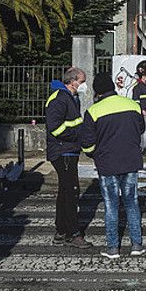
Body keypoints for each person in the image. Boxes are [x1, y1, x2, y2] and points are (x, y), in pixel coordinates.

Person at [79, 71, 146, 259]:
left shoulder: (94, 111)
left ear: (97, 92)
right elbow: (141, 128)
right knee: (132, 203)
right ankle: (136, 245)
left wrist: (94, 154)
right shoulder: (132, 105)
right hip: (131, 161)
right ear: (113, 87)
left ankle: (112, 248)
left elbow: (87, 143)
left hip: (107, 163)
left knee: (111, 205)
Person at [46, 67, 91, 248]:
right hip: (63, 150)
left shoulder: (71, 98)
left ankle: (61, 231)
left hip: (69, 150)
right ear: (72, 81)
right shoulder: (59, 98)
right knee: (71, 192)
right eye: (82, 81)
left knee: (66, 192)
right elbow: (55, 127)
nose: (84, 85)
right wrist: (76, 136)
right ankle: (73, 233)